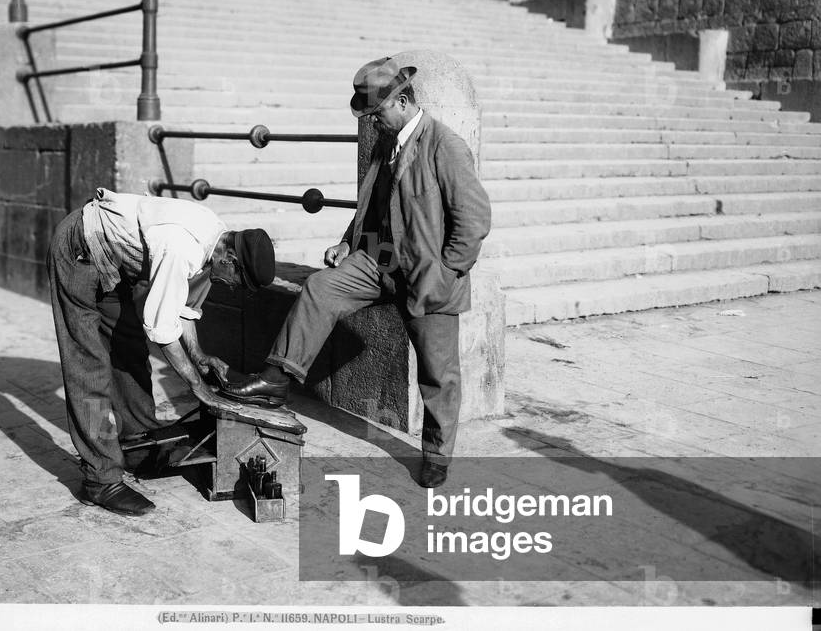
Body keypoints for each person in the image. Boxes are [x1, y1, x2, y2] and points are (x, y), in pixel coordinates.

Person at [222, 56, 491, 489]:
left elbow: (474, 221)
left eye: (377, 112)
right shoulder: (388, 143)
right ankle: (277, 378)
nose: (372, 122)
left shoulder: (446, 146)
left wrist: (446, 271)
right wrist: (348, 242)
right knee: (320, 287)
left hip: (428, 276)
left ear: (402, 101)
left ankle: (437, 456)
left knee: (439, 373)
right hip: (377, 262)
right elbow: (371, 205)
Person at [47, 189, 276, 517]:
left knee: (128, 350)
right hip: (79, 252)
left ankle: (139, 445)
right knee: (89, 365)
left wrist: (199, 357)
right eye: (238, 281)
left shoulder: (217, 241)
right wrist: (196, 385)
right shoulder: (182, 247)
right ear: (230, 259)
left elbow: (182, 309)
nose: (233, 287)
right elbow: (160, 328)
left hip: (112, 265)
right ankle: (100, 479)